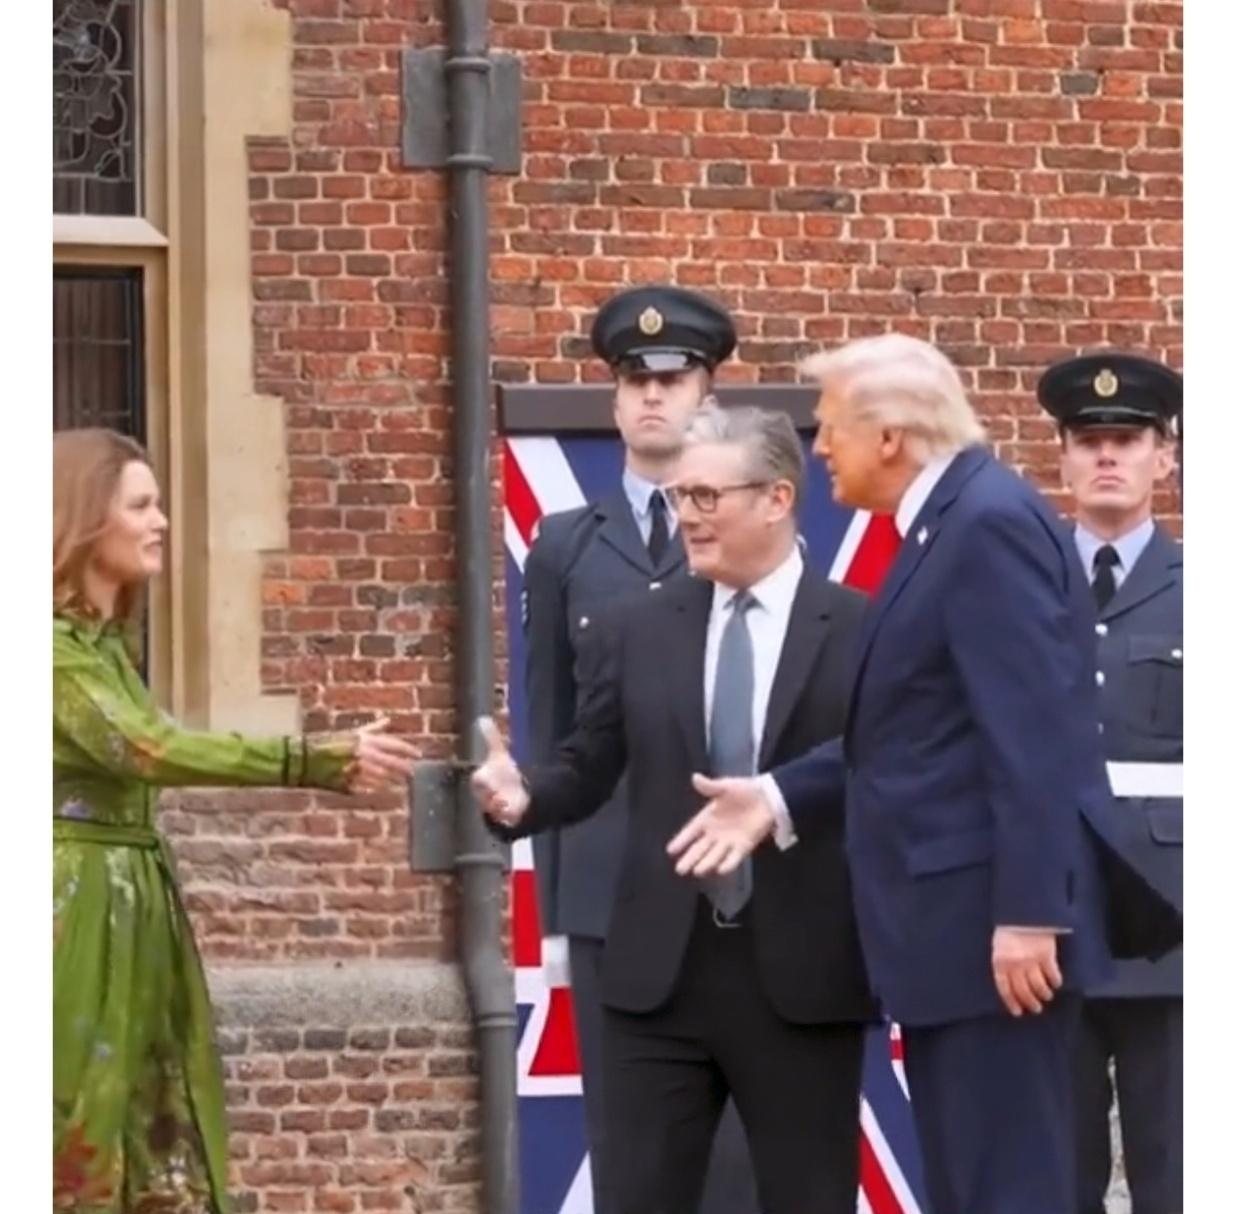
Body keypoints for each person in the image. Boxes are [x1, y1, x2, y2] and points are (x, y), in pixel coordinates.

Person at [667, 335, 1181, 1214]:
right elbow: (919, 735)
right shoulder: (953, 524)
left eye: (831, 427)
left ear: (892, 434)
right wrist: (778, 795)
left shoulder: (984, 527)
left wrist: (1027, 913)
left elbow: (1033, 734)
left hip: (993, 944)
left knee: (1006, 1188)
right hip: (957, 942)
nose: (821, 446)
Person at [478, 406, 874, 1214]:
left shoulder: (861, 629)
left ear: (776, 498)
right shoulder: (639, 627)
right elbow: (589, 763)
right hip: (657, 974)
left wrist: (776, 802)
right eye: (681, 494)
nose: (685, 514)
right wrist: (524, 797)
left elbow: (883, 761)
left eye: (705, 496)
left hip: (800, 975)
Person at [53, 429, 416, 1214]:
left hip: (130, 893)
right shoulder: (49, 652)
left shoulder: (104, 647)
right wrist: (308, 759)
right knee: (78, 1109)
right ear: (84, 520)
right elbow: (150, 749)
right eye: (141, 506)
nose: (161, 523)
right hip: (76, 901)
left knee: (152, 1107)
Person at [523, 284, 755, 1214]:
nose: (653, 396)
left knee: (736, 1159)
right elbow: (551, 733)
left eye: (674, 377)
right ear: (615, 399)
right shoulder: (567, 546)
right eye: (634, 380)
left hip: (728, 885)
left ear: (706, 393)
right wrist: (548, 914)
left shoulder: (751, 533)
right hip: (608, 889)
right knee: (630, 1153)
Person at [1038, 352, 1183, 1214]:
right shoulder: (1016, 585)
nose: (1107, 456)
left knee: (1184, 1176)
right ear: (1059, 454)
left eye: (1126, 439)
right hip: (1044, 923)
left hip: (1179, 929)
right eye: (1088, 440)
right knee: (1056, 1175)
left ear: (1165, 456)